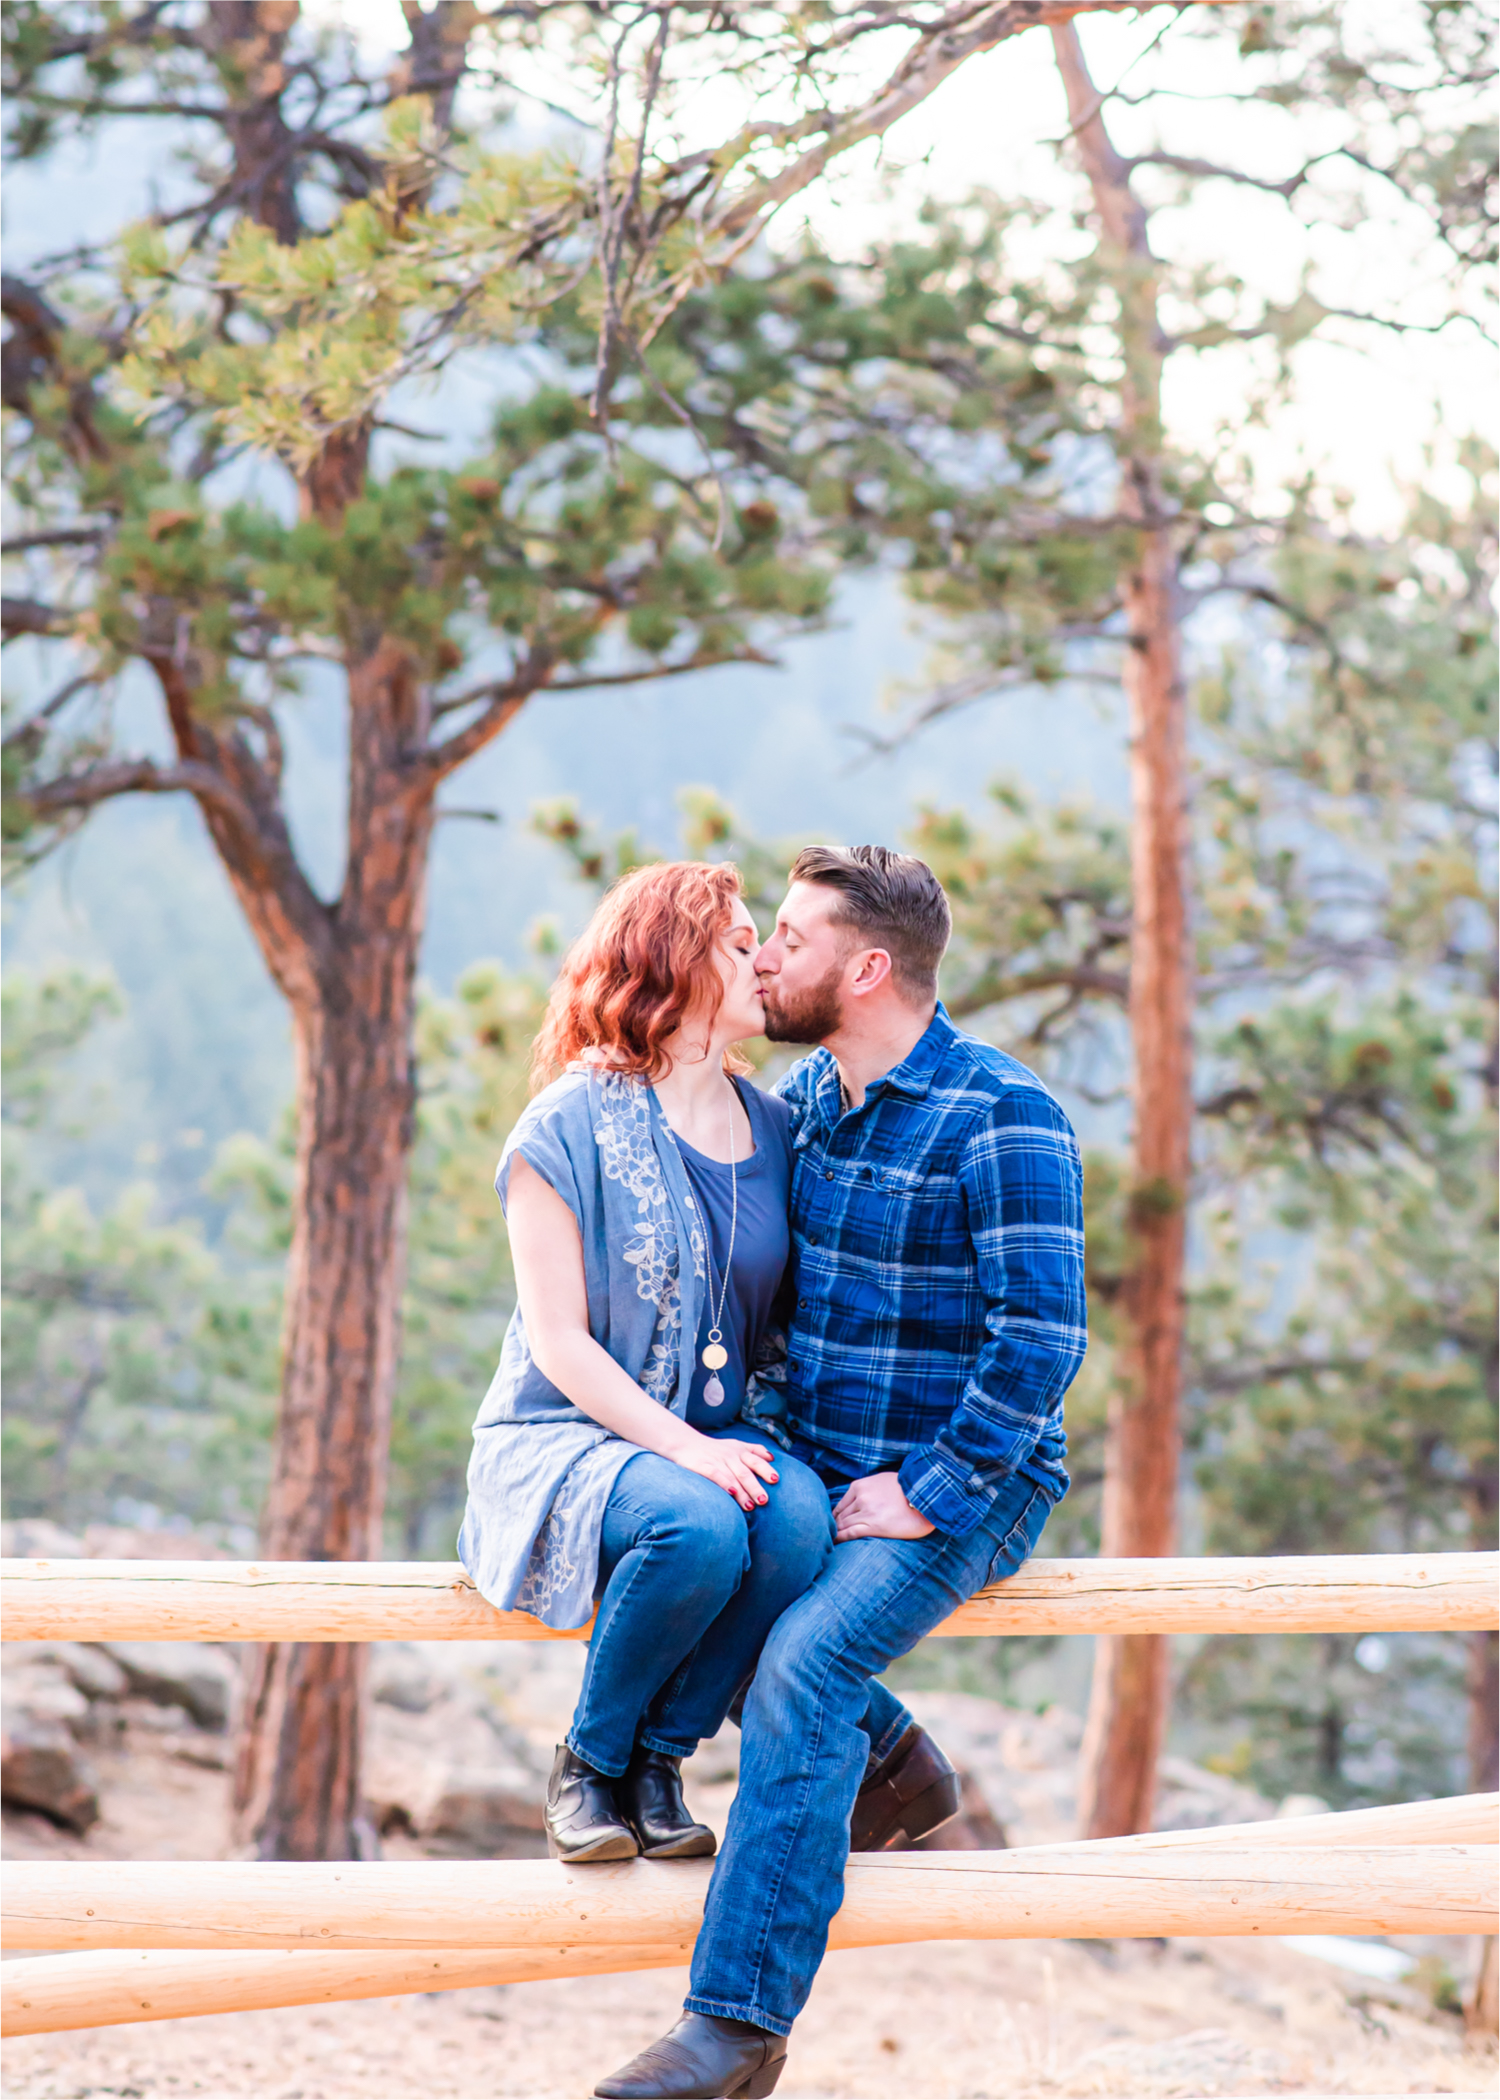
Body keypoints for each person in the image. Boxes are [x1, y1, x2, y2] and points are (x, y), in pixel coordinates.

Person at [594, 846, 1088, 2100]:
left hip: (970, 1475)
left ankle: (737, 2032)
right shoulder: (809, 1101)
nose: (765, 959)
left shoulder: (1004, 1112)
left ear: (867, 968)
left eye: (792, 941)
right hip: (815, 1451)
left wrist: (928, 1486)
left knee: (807, 1665)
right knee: (714, 1576)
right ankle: (895, 1763)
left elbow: (1043, 1340)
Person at [458, 859, 961, 1867]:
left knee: (794, 1522)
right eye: (741, 943)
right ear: (675, 965)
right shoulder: (564, 1126)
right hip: (569, 1432)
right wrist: (688, 1449)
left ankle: (657, 1763)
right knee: (696, 1527)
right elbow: (558, 1343)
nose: (764, 961)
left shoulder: (778, 1126)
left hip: (722, 1435)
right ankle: (589, 1765)